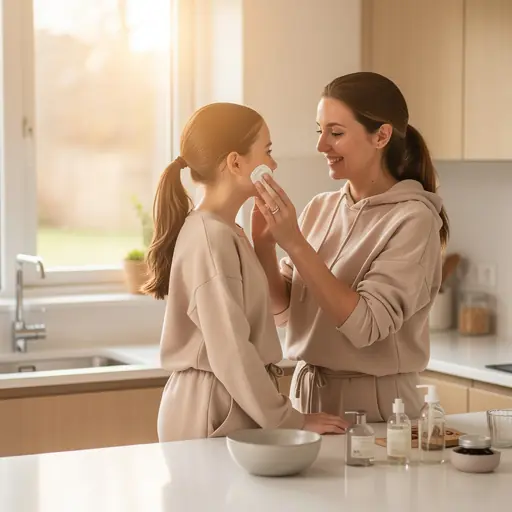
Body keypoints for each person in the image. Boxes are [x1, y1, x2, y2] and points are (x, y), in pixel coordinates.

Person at [142, 102, 347, 441]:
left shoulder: (224, 231)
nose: (274, 163)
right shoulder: (212, 236)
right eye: (266, 152)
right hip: (213, 406)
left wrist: (263, 245)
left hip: (225, 400)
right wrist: (289, 420)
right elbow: (230, 348)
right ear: (237, 163)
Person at [252, 72, 449, 422]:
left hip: (376, 407)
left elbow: (366, 326)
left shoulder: (414, 220)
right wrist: (266, 247)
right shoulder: (320, 208)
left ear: (382, 136)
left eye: (336, 133)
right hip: (306, 395)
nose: (321, 145)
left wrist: (295, 244)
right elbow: (283, 312)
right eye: (320, 131)